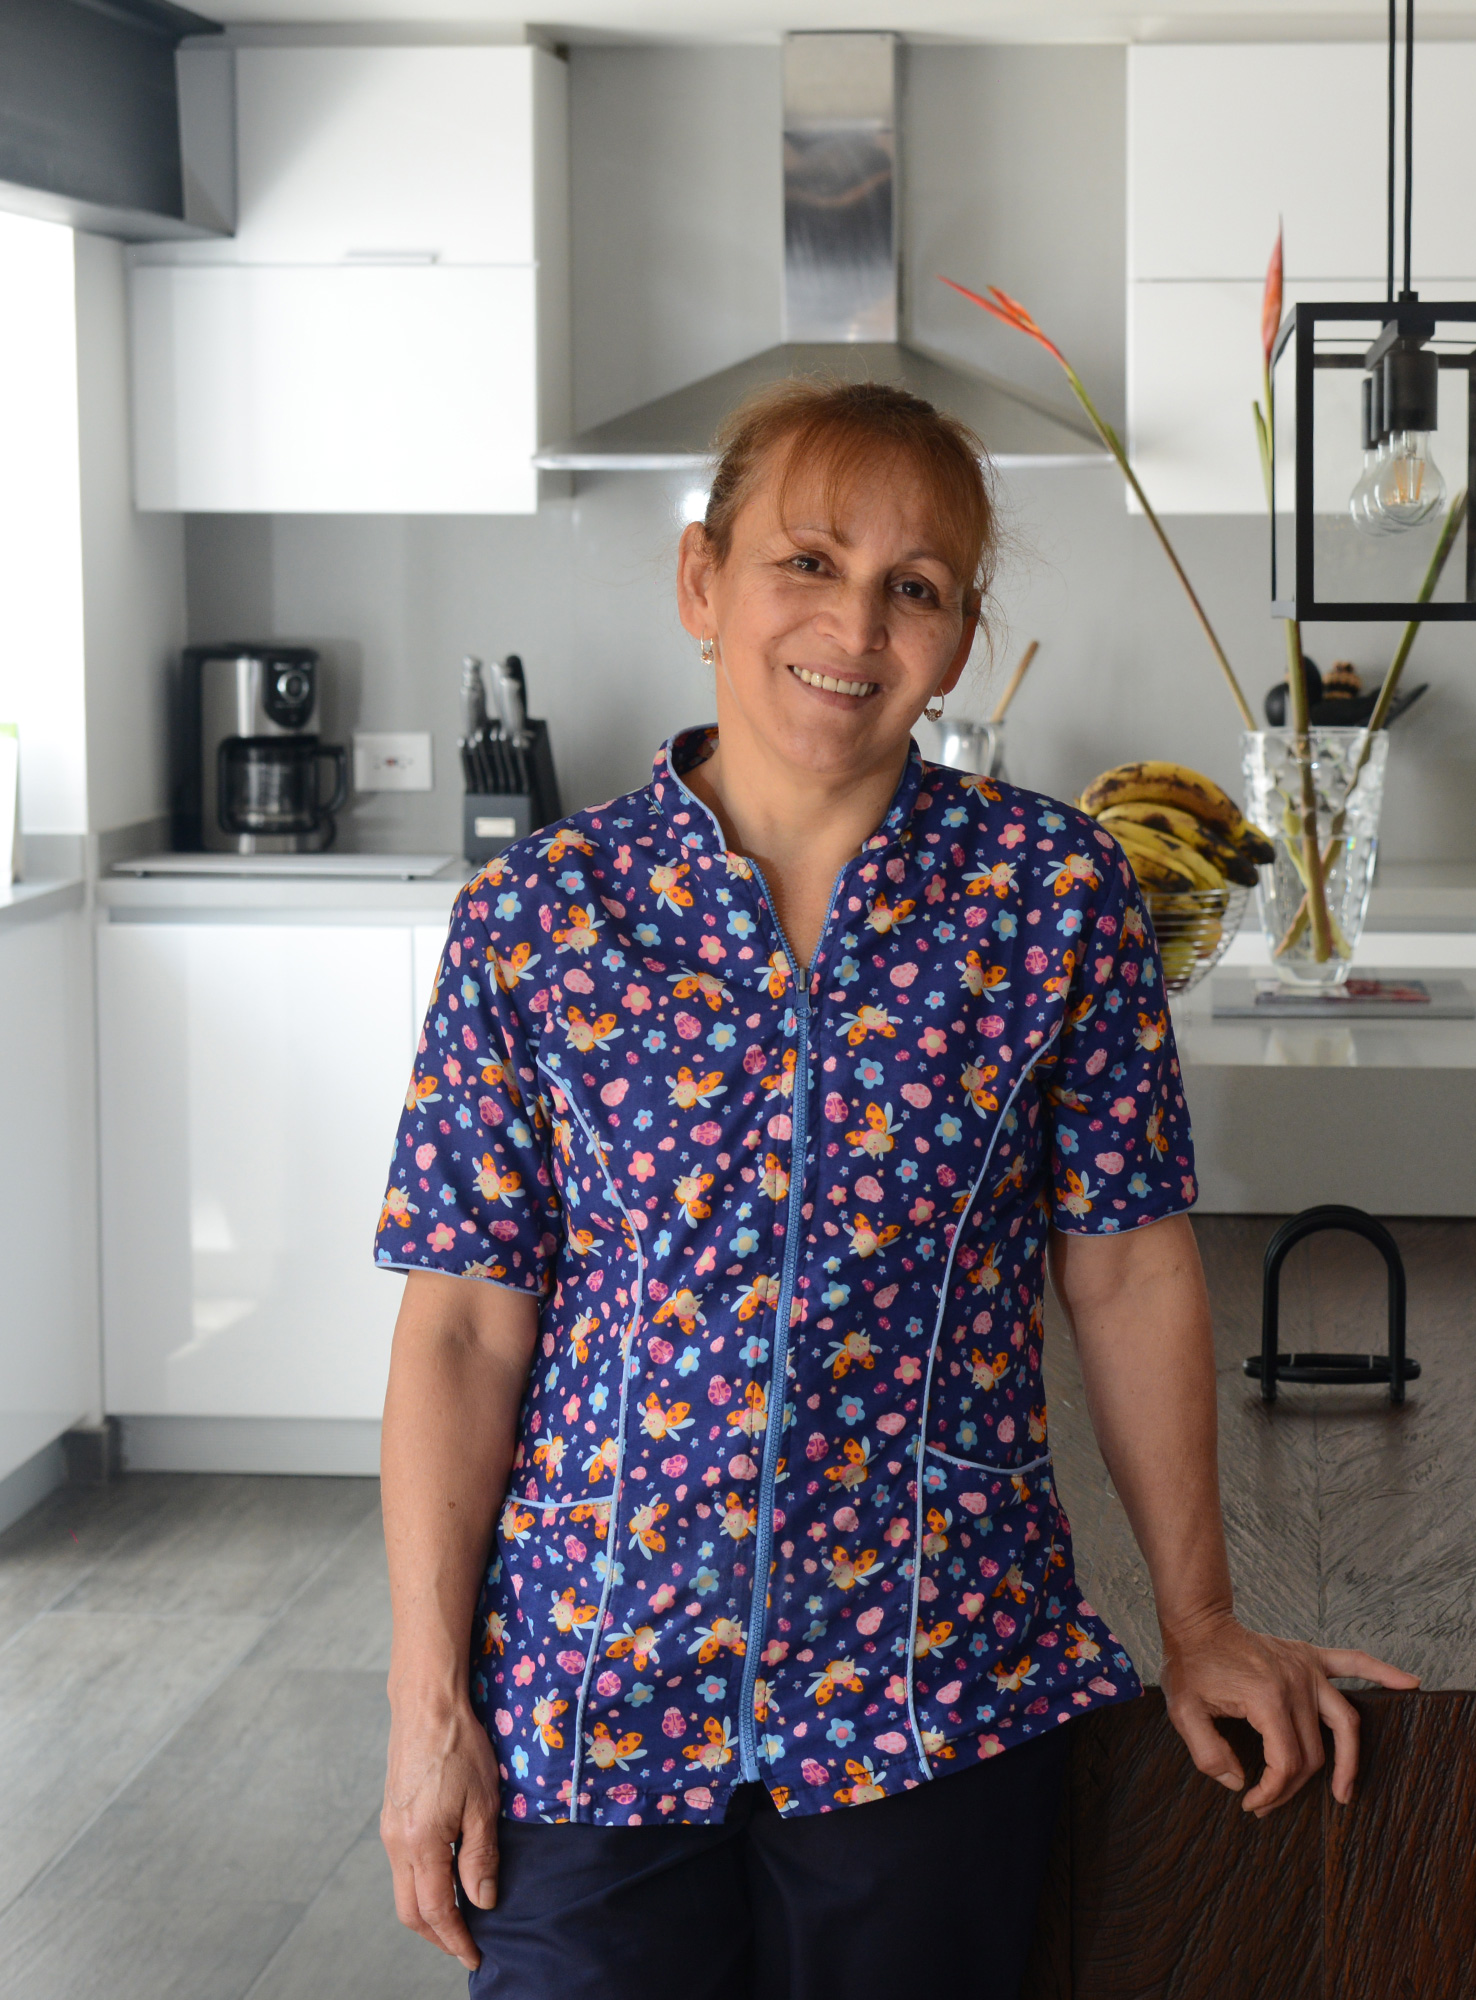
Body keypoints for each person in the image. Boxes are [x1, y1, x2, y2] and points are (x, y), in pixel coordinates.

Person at [371, 377, 1414, 1999]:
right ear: (703, 582)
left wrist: (1202, 1619)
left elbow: (1129, 1273)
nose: (854, 626)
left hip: (934, 1685)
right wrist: (431, 1706)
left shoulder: (1053, 896)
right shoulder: (537, 917)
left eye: (914, 588)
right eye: (807, 562)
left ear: (961, 633)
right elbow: (461, 1334)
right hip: (592, 1688)